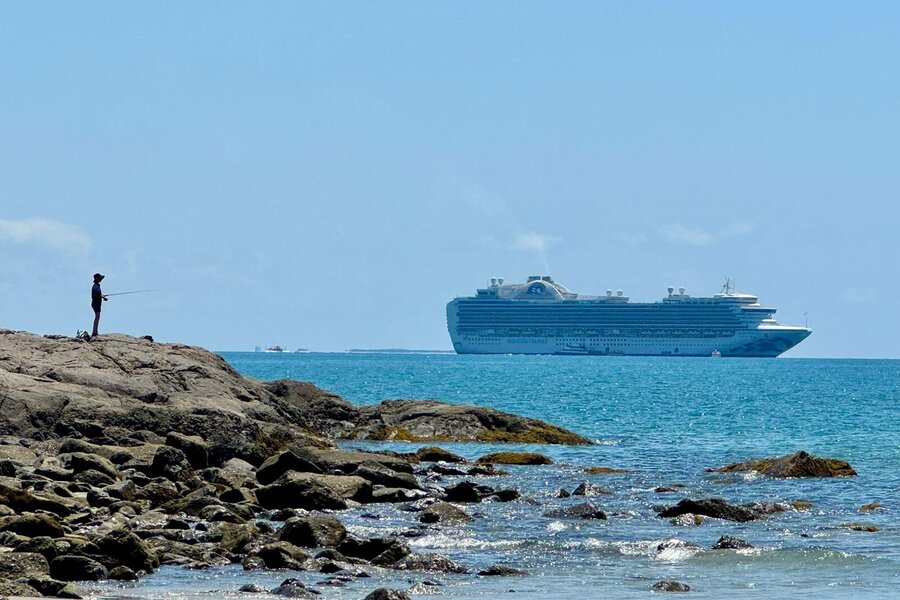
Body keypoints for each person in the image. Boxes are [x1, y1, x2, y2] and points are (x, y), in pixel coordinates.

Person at [91, 273, 108, 338]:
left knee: (97, 316)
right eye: (100, 278)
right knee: (97, 316)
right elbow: (95, 294)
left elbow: (98, 294)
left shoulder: (97, 285)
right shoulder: (95, 286)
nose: (101, 279)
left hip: (96, 303)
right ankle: (94, 332)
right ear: (97, 279)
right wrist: (102, 296)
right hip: (96, 303)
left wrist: (102, 297)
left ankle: (95, 331)